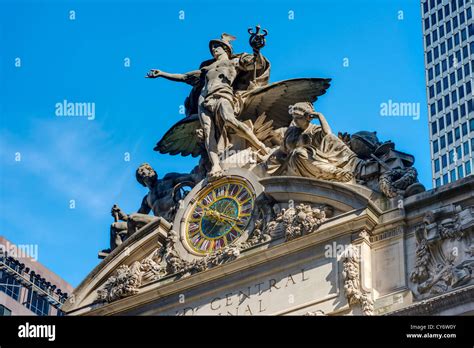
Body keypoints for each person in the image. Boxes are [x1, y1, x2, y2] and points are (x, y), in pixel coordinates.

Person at [146, 33, 270, 178]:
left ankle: (260, 146)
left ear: (226, 48)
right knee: (208, 132)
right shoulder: (207, 68)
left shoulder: (235, 62)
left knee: (229, 119)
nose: (213, 49)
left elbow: (257, 64)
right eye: (212, 47)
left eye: (216, 46)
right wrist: (162, 73)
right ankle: (216, 165)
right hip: (204, 99)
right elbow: (184, 77)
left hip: (222, 93)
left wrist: (256, 49)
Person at [266, 102, 359, 182]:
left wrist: (319, 116)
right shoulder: (291, 131)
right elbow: (282, 150)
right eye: (293, 117)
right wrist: (269, 161)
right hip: (291, 166)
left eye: (298, 118)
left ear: (308, 118)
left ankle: (336, 173)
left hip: (310, 163)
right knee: (297, 153)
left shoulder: (314, 130)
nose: (294, 120)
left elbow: (328, 135)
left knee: (299, 153)